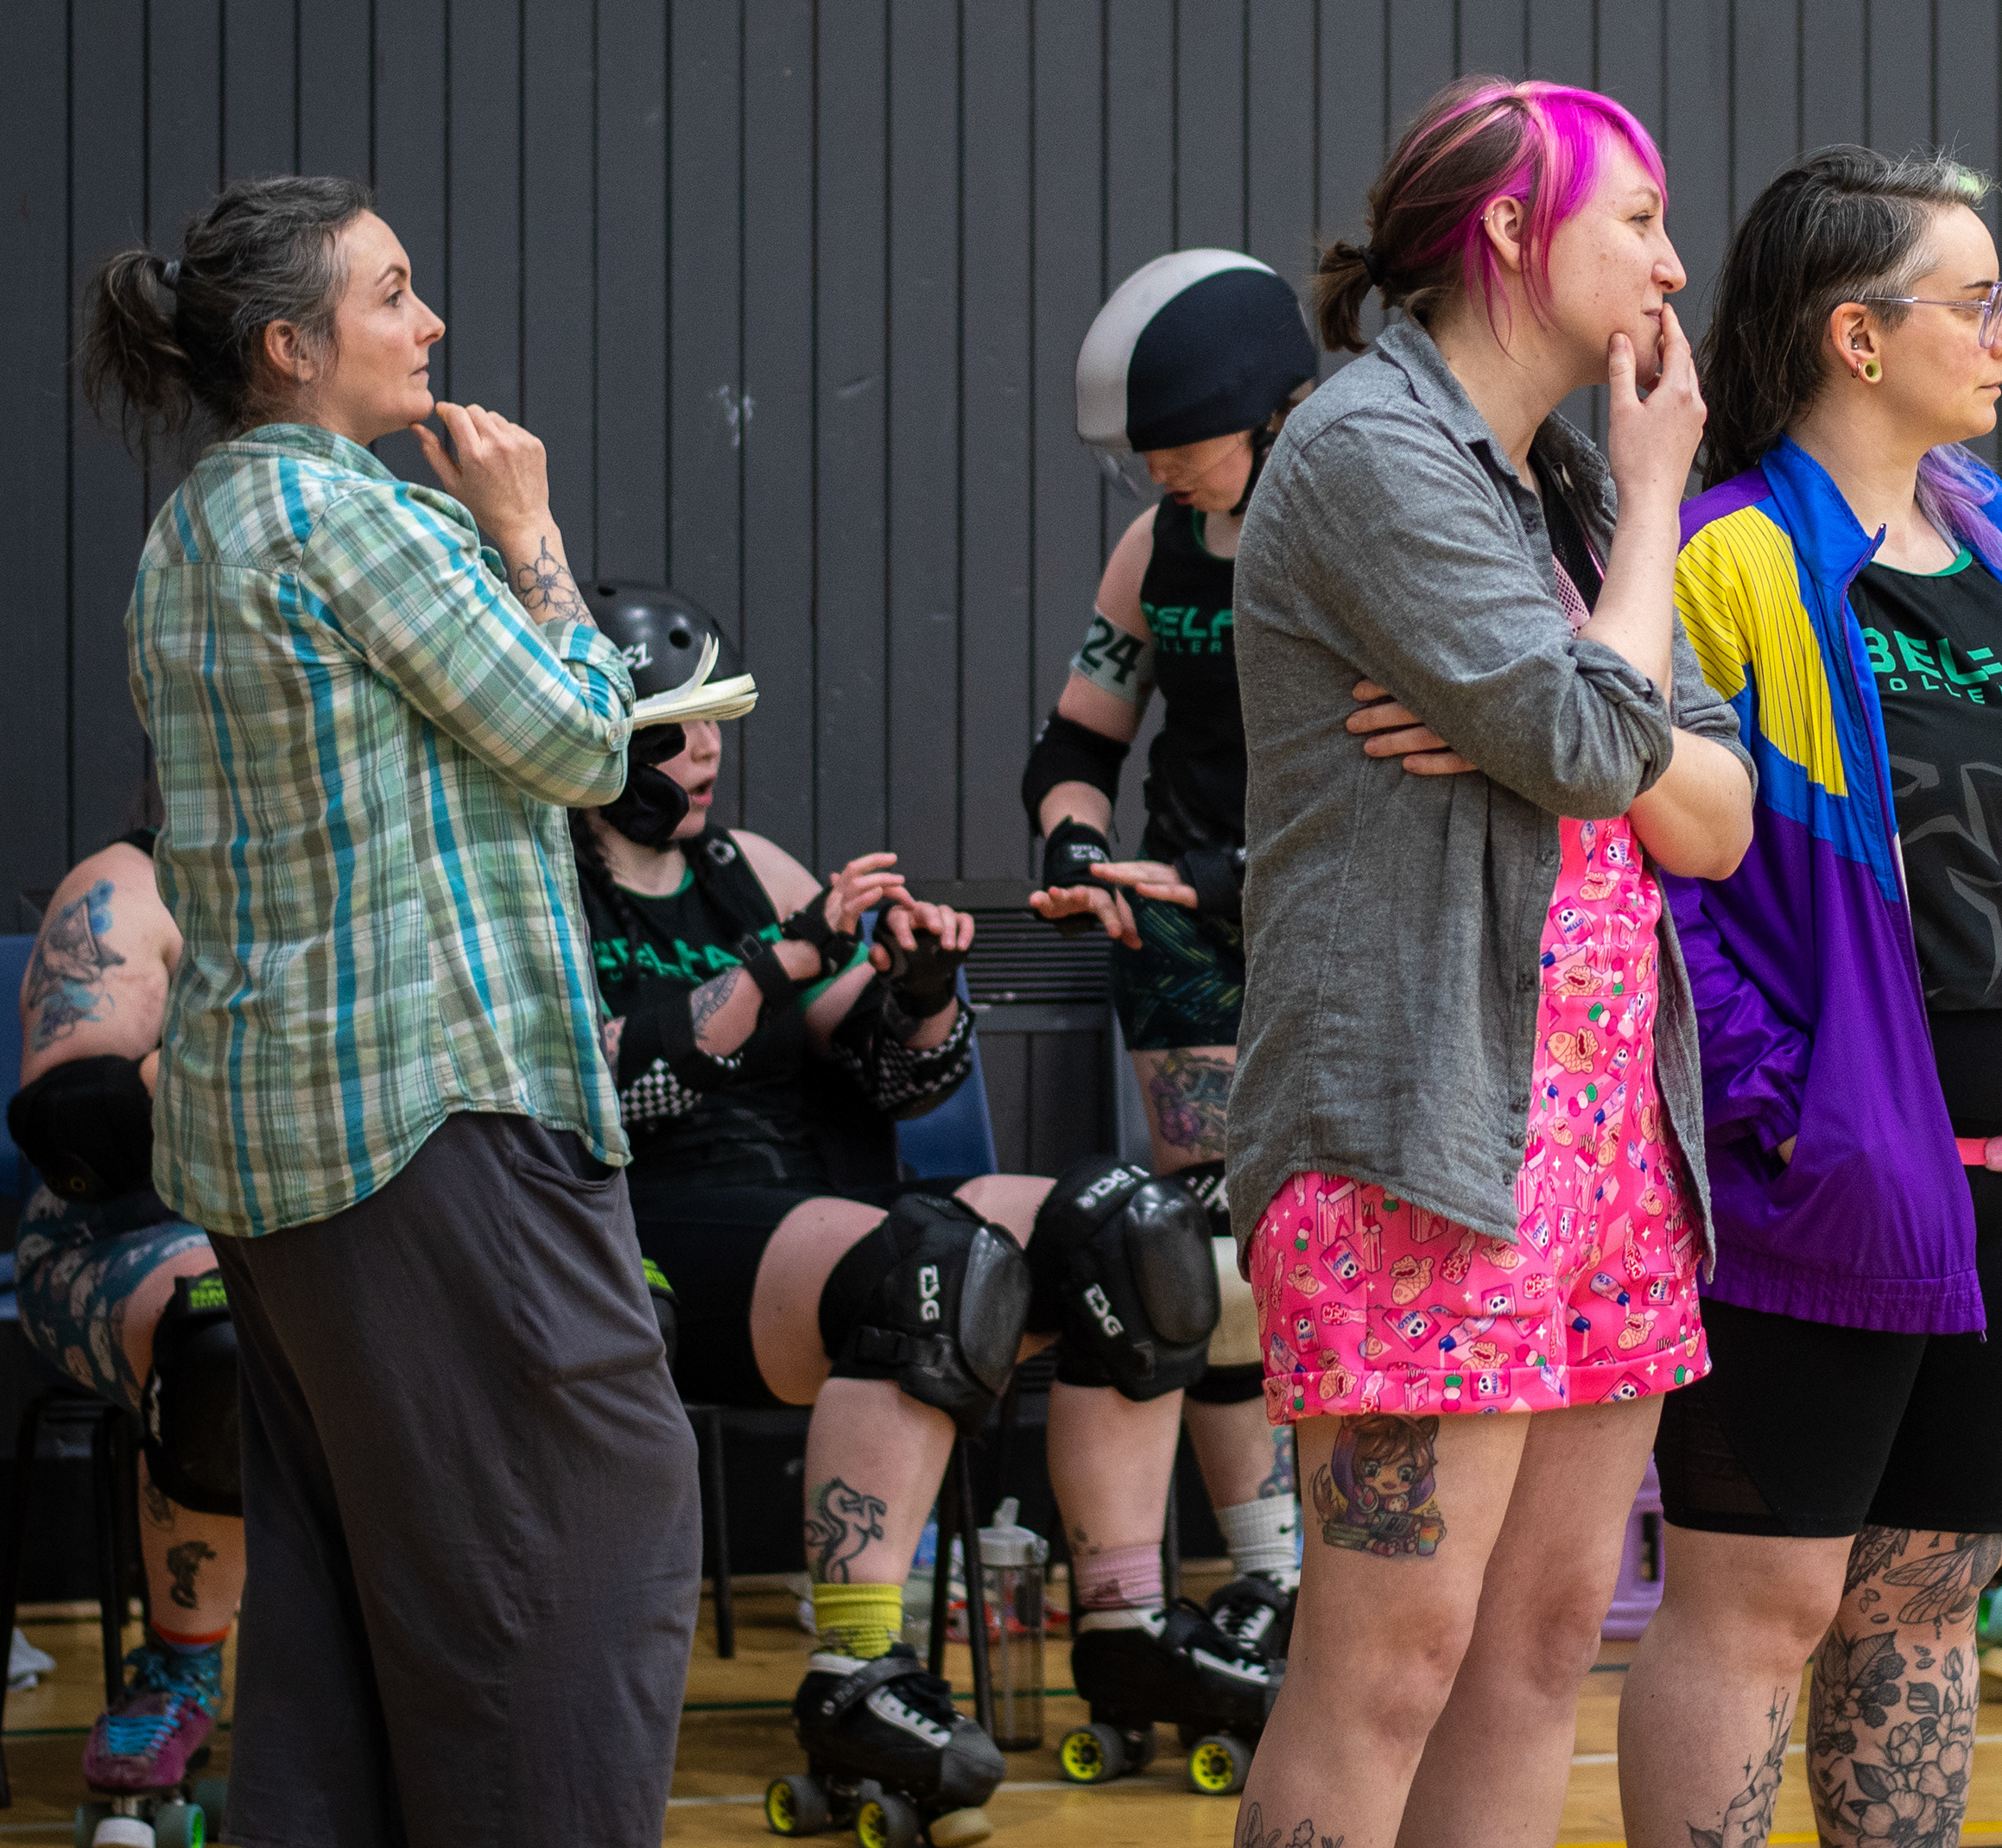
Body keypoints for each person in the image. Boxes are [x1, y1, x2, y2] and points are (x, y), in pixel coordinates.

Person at [1612, 147, 2002, 1846]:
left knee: (1933, 1589)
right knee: (1763, 1600)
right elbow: (1660, 889)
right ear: (1859, 336)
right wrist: (1784, 1111)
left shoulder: (1997, 553)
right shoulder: (1725, 560)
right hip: (1821, 1179)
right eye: (1980, 300)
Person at [93, 175, 697, 1845]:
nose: (429, 324)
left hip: (274, 1145)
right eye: (391, 293)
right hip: (435, 1117)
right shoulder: (360, 520)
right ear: (291, 347)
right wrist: (528, 534)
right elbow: (588, 744)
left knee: (354, 1598)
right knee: (570, 1553)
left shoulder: (190, 531)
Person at [1223, 75, 1755, 1848]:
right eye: (1639, 221)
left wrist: (1563, 719)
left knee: (1533, 1654)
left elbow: (1719, 811)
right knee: (1389, 1664)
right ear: (1512, 231)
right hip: (1422, 1140)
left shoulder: (1564, 485)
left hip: (1605, 1150)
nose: (1671, 266)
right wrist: (1617, 624)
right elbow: (1605, 747)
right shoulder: (1372, 450)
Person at [576, 584, 1273, 1814]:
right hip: (652, 1232)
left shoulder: (746, 868)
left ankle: (1123, 1625)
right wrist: (785, 960)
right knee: (930, 1270)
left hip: (818, 1209)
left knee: (1134, 1232)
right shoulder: (539, 882)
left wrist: (921, 989)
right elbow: (607, 1089)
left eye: (718, 721)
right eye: (678, 729)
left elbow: (895, 1078)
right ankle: (854, 1666)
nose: (708, 752)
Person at [1023, 250, 1315, 1684]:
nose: (1159, 473)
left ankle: (1325, 1570)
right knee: (1206, 1247)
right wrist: (1077, 848)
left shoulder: (1340, 535)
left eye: (1180, 444)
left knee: (1317, 1250)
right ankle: (1271, 1574)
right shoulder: (1159, 545)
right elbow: (1077, 744)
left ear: (1268, 412)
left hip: (1329, 924)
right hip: (1186, 932)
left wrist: (1208, 877)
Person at [10, 804, 245, 1815]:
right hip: (118, 1235)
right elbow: (71, 1130)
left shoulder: (390, 873)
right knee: (218, 1328)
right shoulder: (126, 887)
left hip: (326, 1232)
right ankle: (180, 1669)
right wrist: (240, 1047)